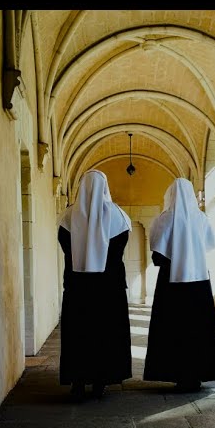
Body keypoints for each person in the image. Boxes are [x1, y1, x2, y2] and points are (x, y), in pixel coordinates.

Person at [144, 177, 215, 392]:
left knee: (172, 328)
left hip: (170, 283)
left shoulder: (164, 219)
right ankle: (197, 374)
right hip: (198, 281)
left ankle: (176, 374)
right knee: (199, 328)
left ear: (170, 194)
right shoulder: (201, 218)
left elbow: (157, 256)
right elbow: (209, 246)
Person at [57, 169, 133, 399]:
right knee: (106, 332)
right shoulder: (118, 216)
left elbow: (65, 247)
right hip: (109, 287)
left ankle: (78, 381)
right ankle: (102, 379)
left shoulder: (69, 217)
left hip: (78, 286)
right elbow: (119, 249)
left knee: (78, 332)